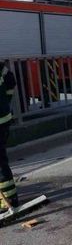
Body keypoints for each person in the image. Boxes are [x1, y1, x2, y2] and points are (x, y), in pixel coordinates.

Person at [0, 62, 18, 210]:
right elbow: (11, 81)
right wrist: (5, 101)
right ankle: (10, 198)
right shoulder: (1, 67)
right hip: (4, 119)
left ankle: (7, 203)